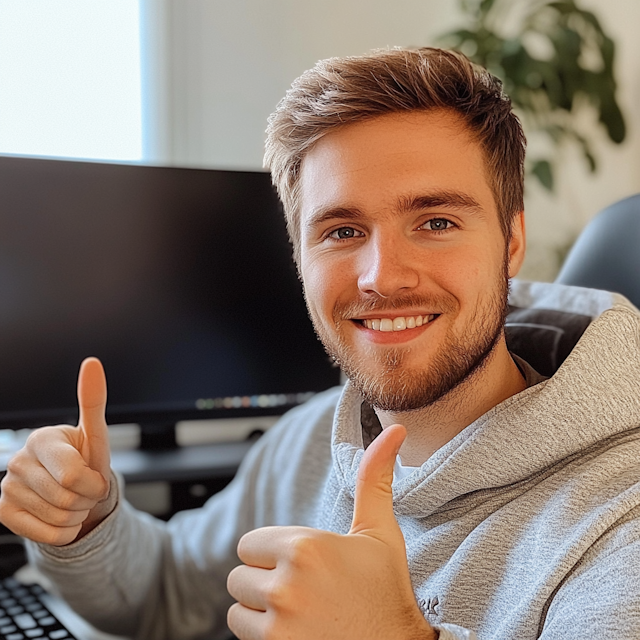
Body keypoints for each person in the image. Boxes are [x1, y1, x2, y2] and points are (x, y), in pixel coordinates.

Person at [1, 47, 640, 640]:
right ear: (299, 258)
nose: (382, 276)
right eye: (341, 231)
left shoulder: (620, 508)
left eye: (436, 221)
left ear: (511, 243)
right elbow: (169, 590)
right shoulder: (309, 439)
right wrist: (82, 522)